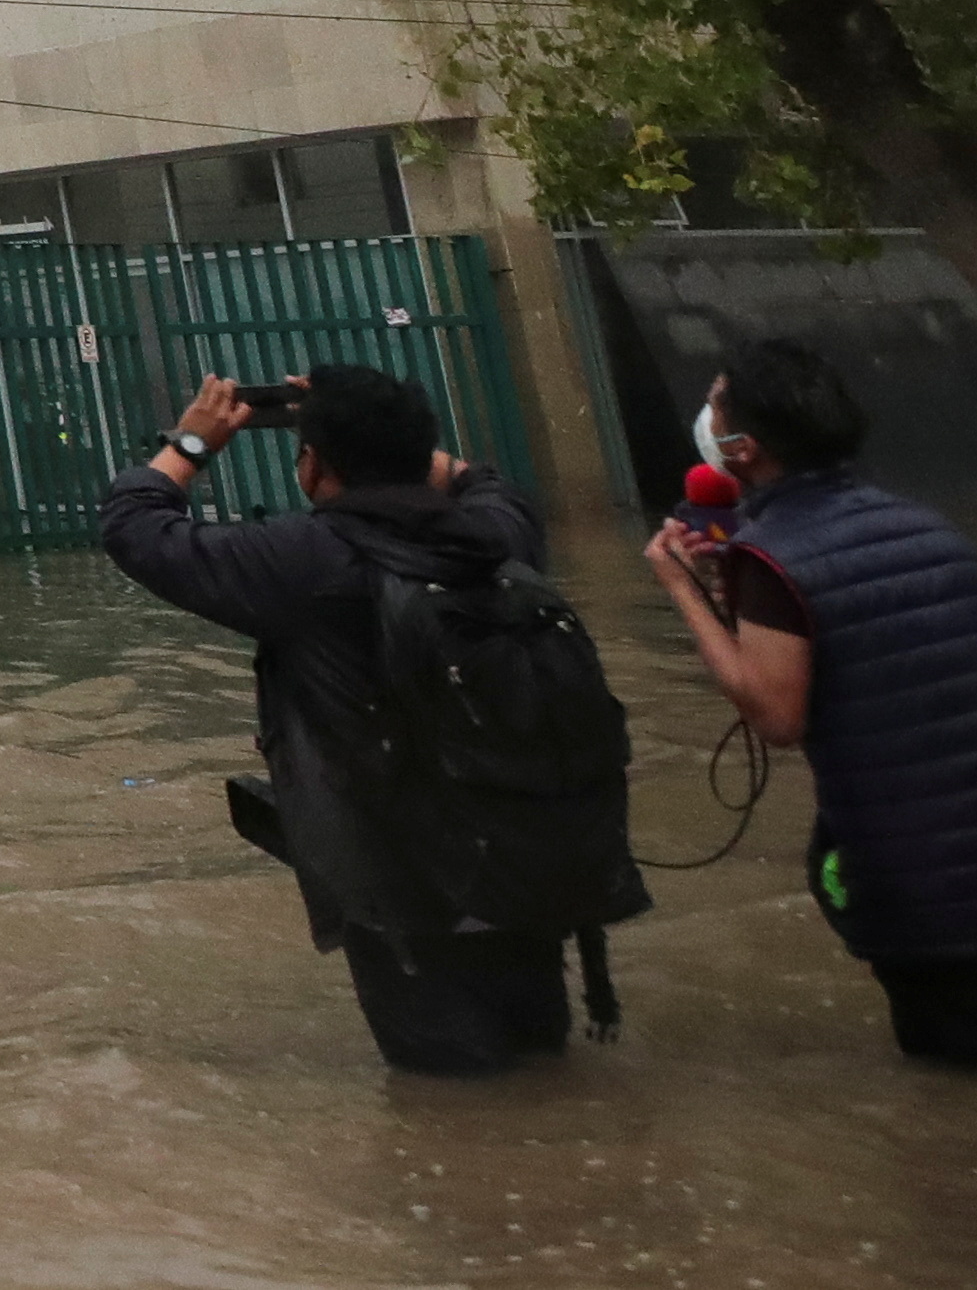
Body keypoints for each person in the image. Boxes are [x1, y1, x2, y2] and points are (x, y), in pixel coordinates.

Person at [102, 363, 648, 1075]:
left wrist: (195, 442)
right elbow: (487, 482)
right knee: (541, 1071)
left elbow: (135, 524)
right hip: (529, 859)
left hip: (412, 893)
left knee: (449, 1102)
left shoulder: (305, 561)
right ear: (422, 454)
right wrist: (383, 426)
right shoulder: (494, 536)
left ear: (315, 462)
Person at [647, 336, 977, 1071]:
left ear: (742, 447)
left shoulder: (774, 556)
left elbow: (777, 718)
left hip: (938, 911)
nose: (706, 419)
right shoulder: (926, 527)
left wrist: (685, 592)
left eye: (715, 406)